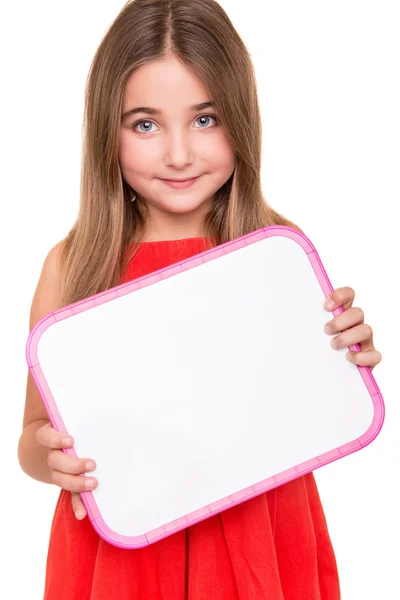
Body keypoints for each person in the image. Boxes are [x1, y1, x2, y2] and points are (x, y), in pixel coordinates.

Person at [17, 1, 382, 598]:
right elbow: (33, 435)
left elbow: (303, 405)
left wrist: (344, 360)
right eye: (145, 124)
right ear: (105, 130)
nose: (179, 153)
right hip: (124, 551)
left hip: (259, 531)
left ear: (241, 118)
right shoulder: (74, 263)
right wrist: (50, 456)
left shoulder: (275, 254)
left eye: (206, 119)